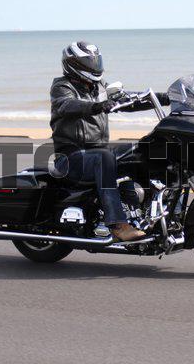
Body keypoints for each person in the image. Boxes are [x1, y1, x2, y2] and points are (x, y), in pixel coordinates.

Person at [50, 41, 169, 241]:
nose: (95, 66)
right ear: (75, 64)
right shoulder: (62, 87)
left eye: (96, 61)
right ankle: (118, 225)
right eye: (89, 62)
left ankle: (144, 213)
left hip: (97, 153)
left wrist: (164, 98)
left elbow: (127, 101)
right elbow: (66, 104)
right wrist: (96, 106)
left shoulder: (99, 87)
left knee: (138, 151)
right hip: (70, 158)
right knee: (104, 157)